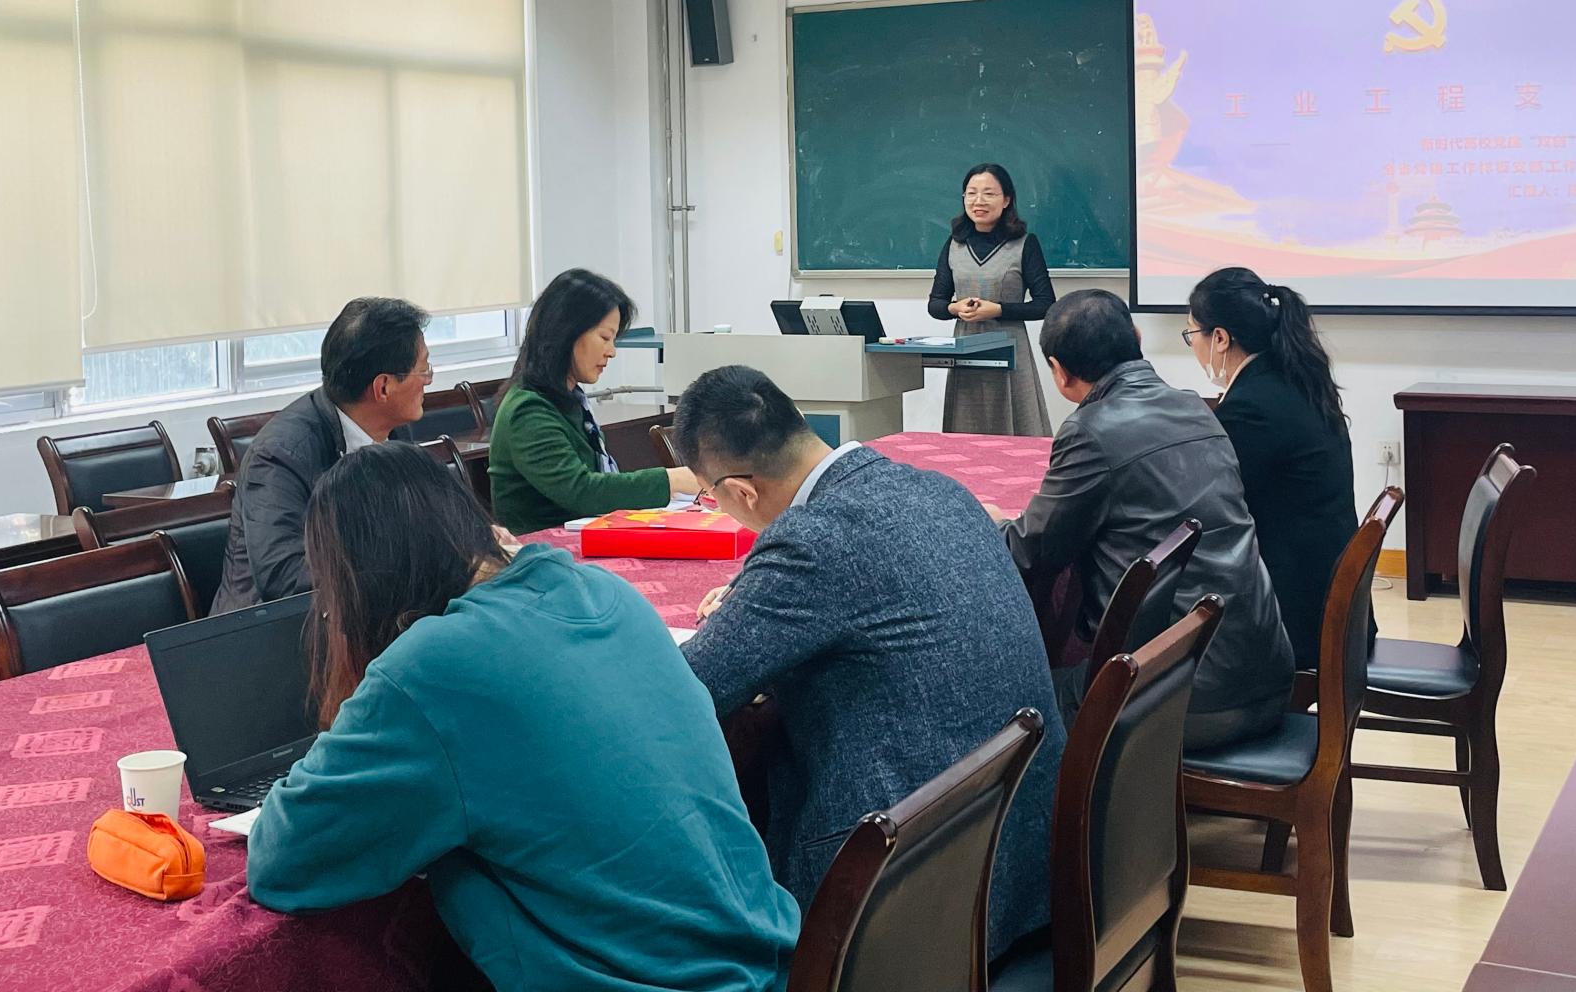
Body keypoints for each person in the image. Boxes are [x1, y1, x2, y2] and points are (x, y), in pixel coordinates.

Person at [247, 442, 798, 992]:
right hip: (769, 960)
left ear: (359, 583)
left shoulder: (431, 667)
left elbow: (283, 859)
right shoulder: (606, 589)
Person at [674, 365, 1062, 961]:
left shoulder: (811, 542)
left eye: (710, 496)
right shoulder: (939, 489)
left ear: (741, 492)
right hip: (1021, 863)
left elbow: (689, 688)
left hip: (906, 898)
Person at [1003, 289, 1294, 748]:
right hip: (1266, 674)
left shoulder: (1089, 430)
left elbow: (1031, 551)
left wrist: (989, 523)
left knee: (1007, 700)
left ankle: (1080, 795)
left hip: (1181, 697)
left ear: (1058, 372)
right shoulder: (1196, 407)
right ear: (1137, 338)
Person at [211, 296, 430, 614]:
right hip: (271, 627)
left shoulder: (394, 430)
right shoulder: (280, 455)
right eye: (423, 370)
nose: (428, 380)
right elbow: (284, 578)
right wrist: (395, 566)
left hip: (367, 613)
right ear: (383, 387)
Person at [1188, 267, 1359, 670]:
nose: (1192, 345)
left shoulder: (1252, 408)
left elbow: (1209, 505)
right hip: (1328, 602)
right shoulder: (1295, 382)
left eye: (1191, 334)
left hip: (1295, 620)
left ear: (1220, 338)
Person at [489, 268, 699, 534]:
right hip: (546, 549)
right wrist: (671, 480)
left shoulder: (569, 401)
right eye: (604, 338)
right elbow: (582, 491)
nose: (611, 351)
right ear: (567, 333)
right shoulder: (528, 410)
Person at [929, 162, 1055, 436]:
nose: (979, 201)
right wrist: (955, 308)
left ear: (1006, 200)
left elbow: (1046, 304)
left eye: (989, 193)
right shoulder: (954, 244)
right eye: (971, 193)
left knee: (1017, 433)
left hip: (1010, 350)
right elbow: (936, 304)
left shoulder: (1024, 244)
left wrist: (998, 310)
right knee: (967, 433)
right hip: (965, 352)